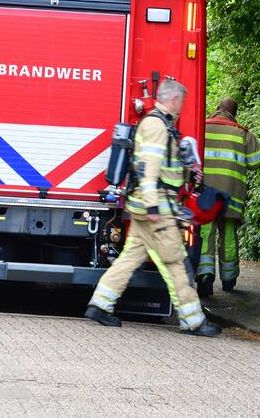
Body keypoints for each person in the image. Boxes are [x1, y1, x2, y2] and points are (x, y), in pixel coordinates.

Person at [85, 79, 221, 337]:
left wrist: (188, 171)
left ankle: (100, 304)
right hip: (155, 206)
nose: (181, 106)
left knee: (130, 258)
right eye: (181, 101)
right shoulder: (157, 126)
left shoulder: (159, 124)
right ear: (173, 99)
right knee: (175, 261)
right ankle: (193, 321)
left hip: (146, 206)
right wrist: (153, 206)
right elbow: (148, 168)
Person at [196, 97, 260, 297]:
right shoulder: (243, 133)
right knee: (229, 237)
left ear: (216, 109)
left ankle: (205, 276)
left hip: (206, 194)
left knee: (205, 233)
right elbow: (255, 162)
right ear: (235, 113)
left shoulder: (201, 127)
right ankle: (228, 280)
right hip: (231, 196)